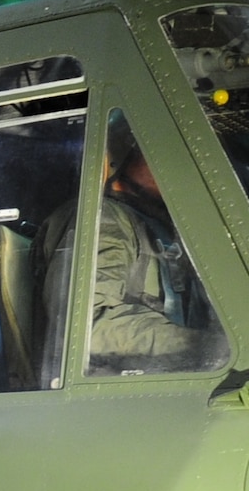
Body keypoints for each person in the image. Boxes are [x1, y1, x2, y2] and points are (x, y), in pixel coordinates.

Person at [39, 130, 230, 375]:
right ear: (128, 154)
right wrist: (202, 346)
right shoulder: (102, 219)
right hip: (108, 388)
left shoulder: (155, 225)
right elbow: (88, 326)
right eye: (157, 152)